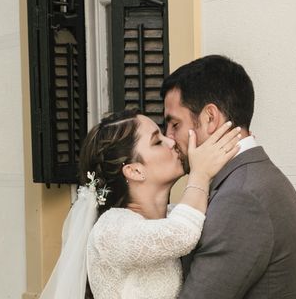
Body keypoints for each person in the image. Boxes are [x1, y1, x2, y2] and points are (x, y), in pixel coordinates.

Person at [39, 109, 241, 299]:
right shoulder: (110, 230)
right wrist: (200, 173)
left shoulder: (172, 215)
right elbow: (183, 233)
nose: (171, 142)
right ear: (134, 171)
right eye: (157, 141)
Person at [161, 55, 296, 299]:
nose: (168, 137)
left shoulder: (241, 197)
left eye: (175, 124)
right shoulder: (250, 178)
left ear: (210, 118)